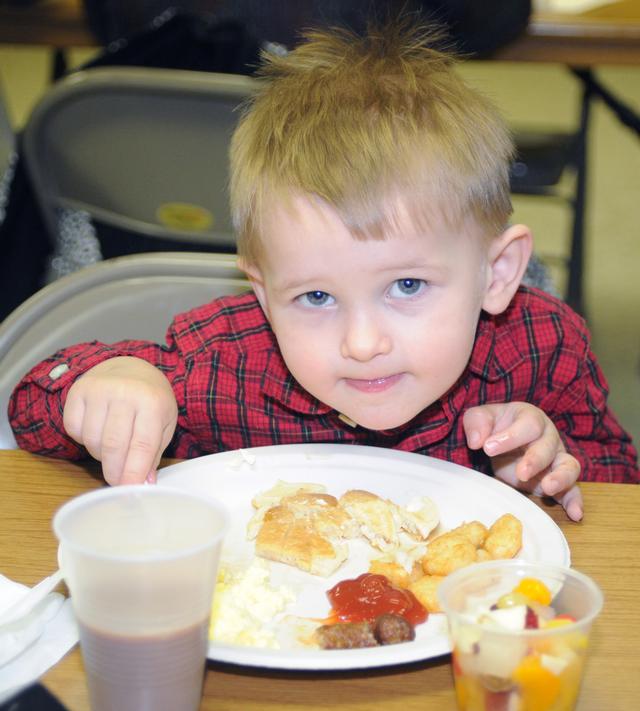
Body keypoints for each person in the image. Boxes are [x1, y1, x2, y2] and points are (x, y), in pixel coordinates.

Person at [8, 20, 638, 521]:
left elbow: (619, 487)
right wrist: (107, 383)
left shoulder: (541, 349)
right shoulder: (224, 362)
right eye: (314, 296)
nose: (362, 344)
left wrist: (553, 469)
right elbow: (30, 408)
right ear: (261, 288)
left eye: (407, 285)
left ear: (498, 272)